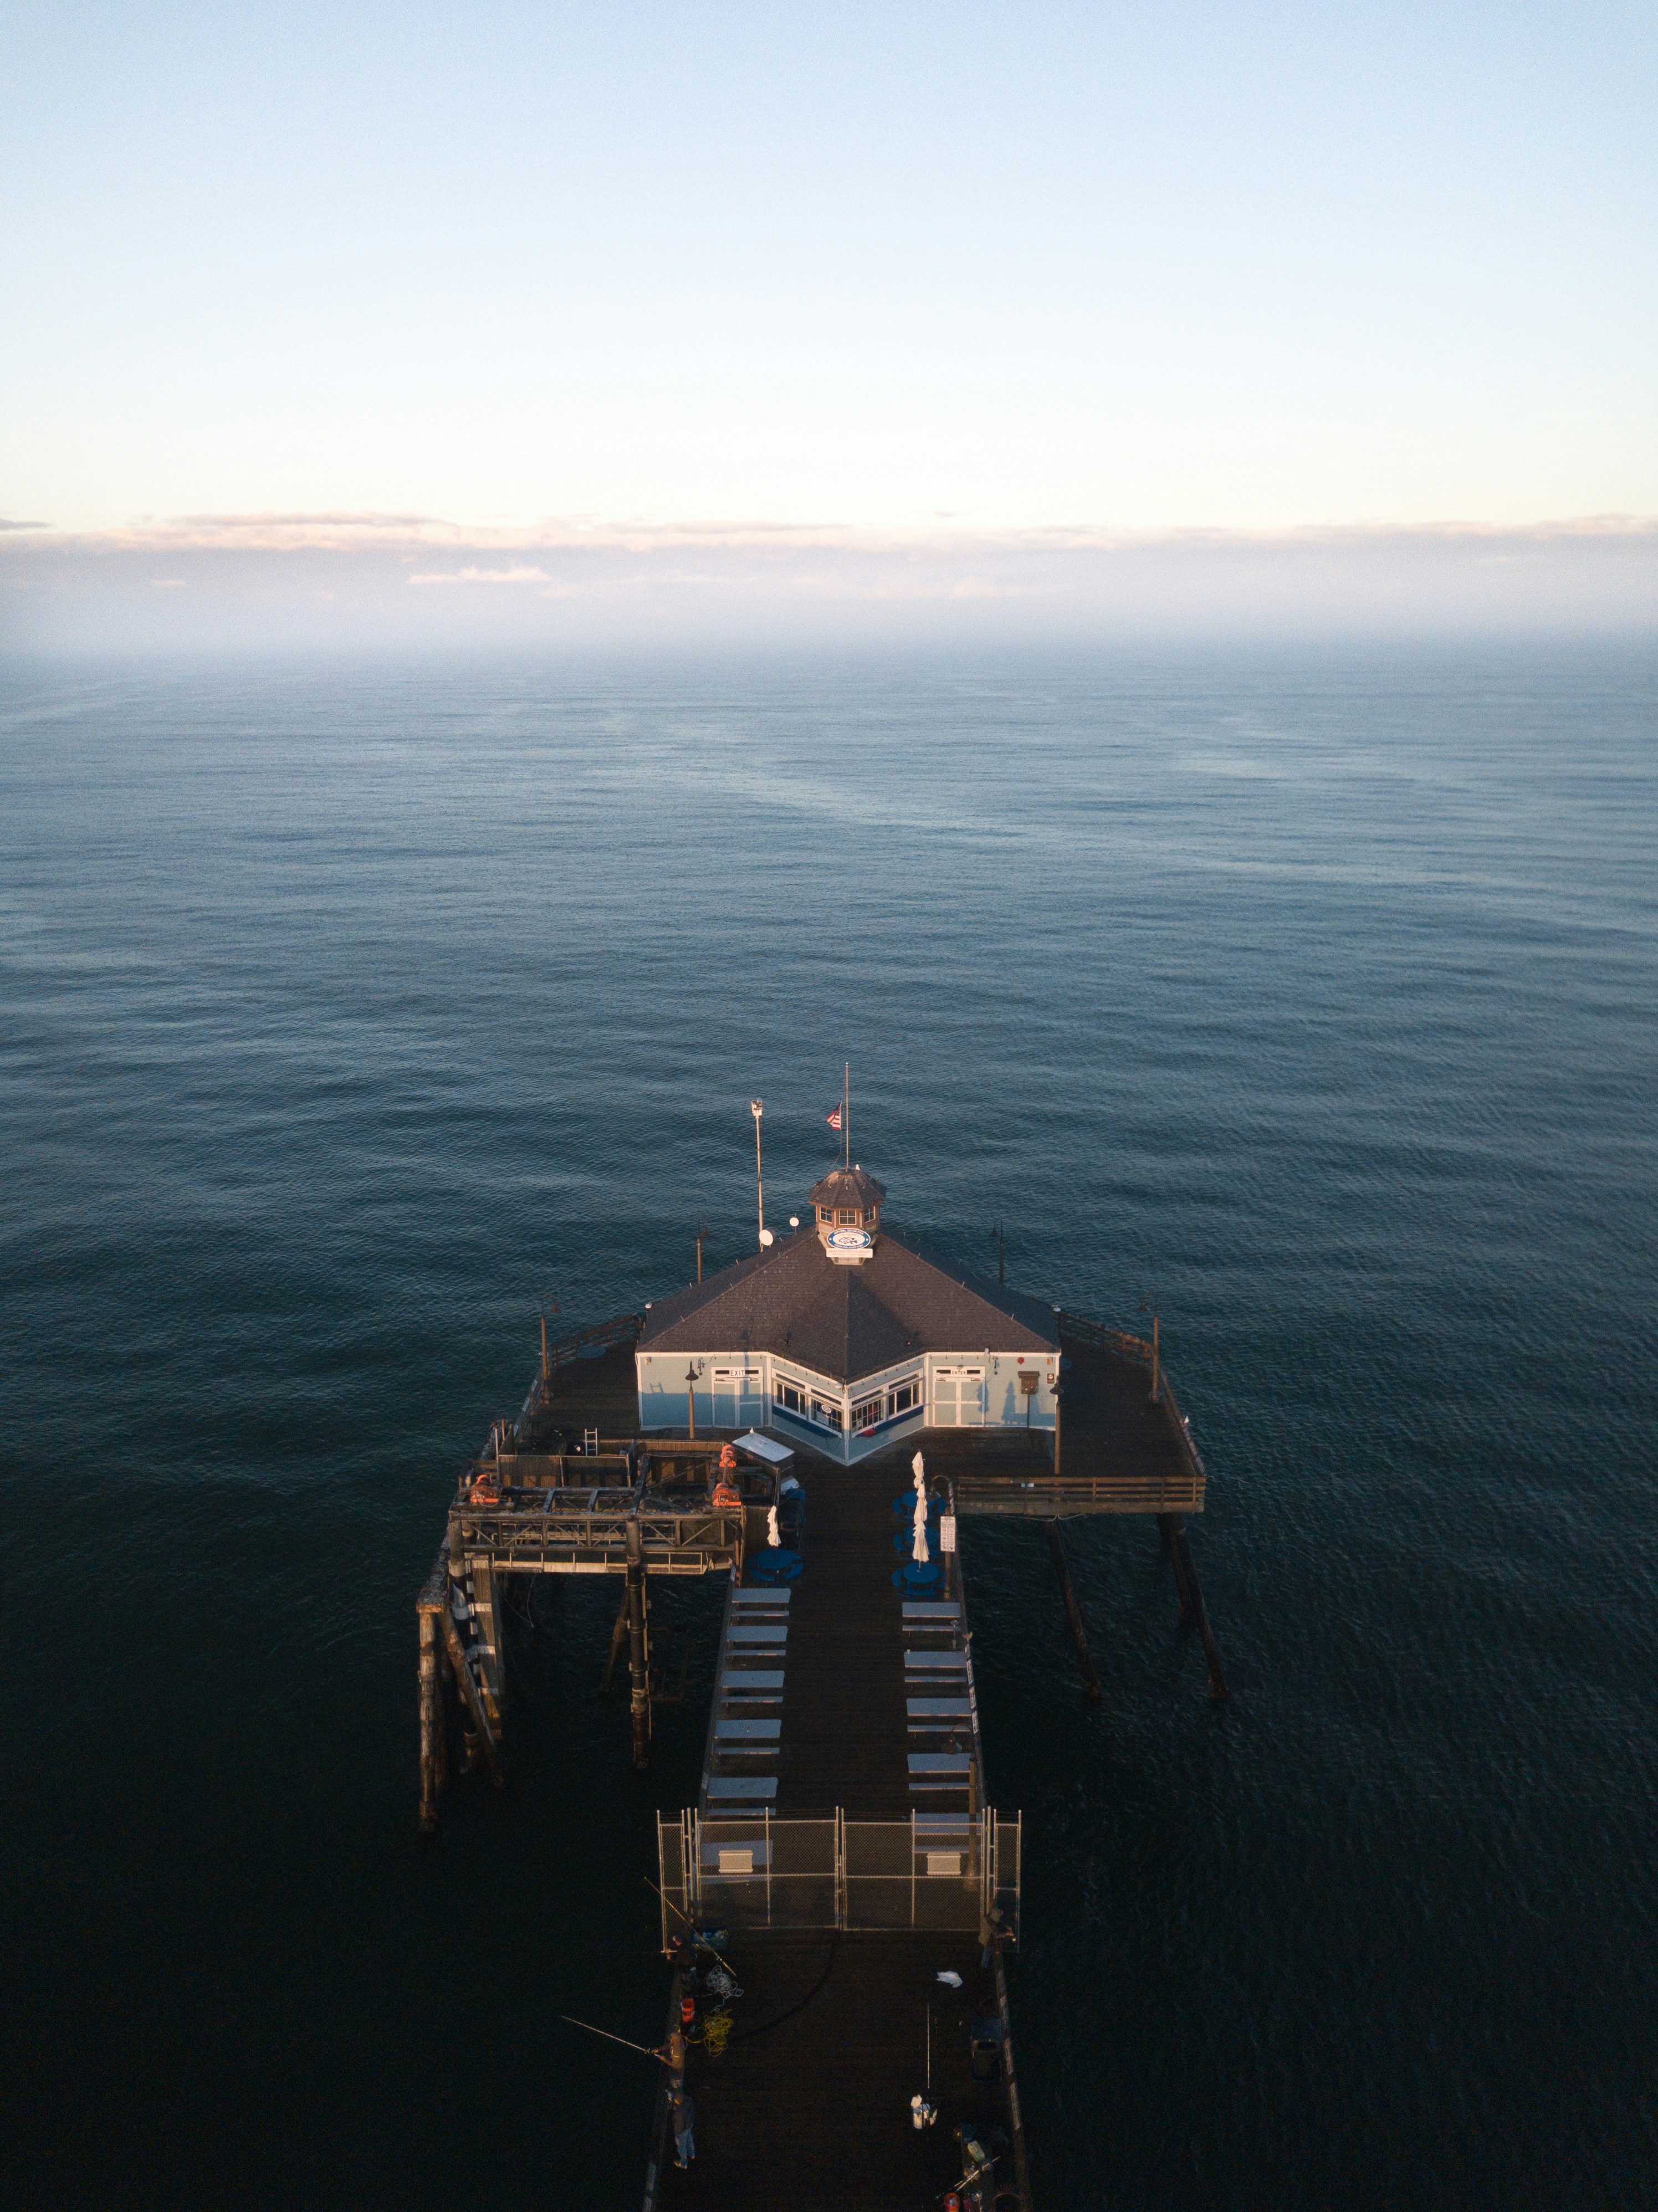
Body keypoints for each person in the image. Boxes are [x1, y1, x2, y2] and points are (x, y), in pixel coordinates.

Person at [671, 2087, 696, 2168]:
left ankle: (683, 2163)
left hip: (682, 2130)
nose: (674, 2101)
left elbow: (679, 2126)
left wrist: (678, 2135)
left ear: (677, 2100)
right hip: (690, 2124)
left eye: (675, 2100)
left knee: (681, 2146)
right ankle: (692, 2154)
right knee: (689, 2139)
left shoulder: (679, 2113)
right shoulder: (688, 2100)